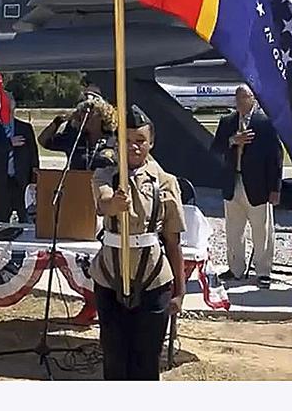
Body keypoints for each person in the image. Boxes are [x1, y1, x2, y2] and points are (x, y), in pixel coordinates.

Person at [91, 105, 186, 380]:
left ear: (151, 142)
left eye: (141, 141)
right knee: (115, 357)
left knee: (146, 361)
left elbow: (173, 239)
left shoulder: (165, 181)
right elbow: (102, 204)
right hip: (110, 278)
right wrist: (114, 203)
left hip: (153, 279)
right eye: (128, 140)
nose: (134, 147)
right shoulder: (106, 173)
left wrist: (179, 291)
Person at [210, 84, 283, 288]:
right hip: (233, 182)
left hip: (258, 185)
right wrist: (233, 140)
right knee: (234, 229)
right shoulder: (227, 122)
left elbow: (276, 157)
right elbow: (215, 149)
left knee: (262, 230)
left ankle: (263, 272)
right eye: (238, 98)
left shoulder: (265, 123)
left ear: (253, 99)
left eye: (245, 97)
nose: (241, 102)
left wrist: (275, 188)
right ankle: (236, 270)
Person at [0, 93, 39, 223]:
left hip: (21, 180)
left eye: (9, 102)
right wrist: (9, 143)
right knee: (1, 218)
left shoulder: (25, 128)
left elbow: (33, 155)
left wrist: (34, 179)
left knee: (25, 218)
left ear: (14, 105)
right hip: (0, 180)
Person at [38, 96, 117, 171]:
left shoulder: (114, 140)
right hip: (76, 182)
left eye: (90, 112)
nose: (85, 115)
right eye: (82, 112)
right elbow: (43, 141)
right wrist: (58, 121)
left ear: (102, 116)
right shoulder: (74, 139)